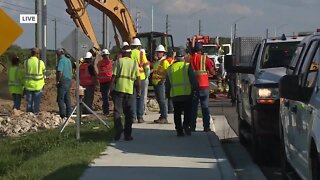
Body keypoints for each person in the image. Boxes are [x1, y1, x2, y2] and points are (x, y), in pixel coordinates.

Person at [110, 45, 141, 141]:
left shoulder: (119, 61)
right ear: (130, 53)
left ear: (122, 53)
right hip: (129, 90)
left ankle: (119, 128)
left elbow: (114, 77)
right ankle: (127, 135)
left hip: (119, 89)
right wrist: (139, 90)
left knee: (117, 111)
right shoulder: (134, 63)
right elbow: (138, 78)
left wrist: (110, 89)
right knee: (129, 113)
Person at [166, 49, 198, 136]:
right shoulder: (187, 66)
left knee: (177, 113)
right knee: (188, 111)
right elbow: (193, 79)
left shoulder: (170, 68)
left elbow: (168, 84)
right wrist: (195, 88)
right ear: (184, 57)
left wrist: (167, 94)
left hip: (175, 95)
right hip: (187, 94)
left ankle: (179, 130)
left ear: (176, 57)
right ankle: (186, 125)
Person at [190, 42, 216, 132]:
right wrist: (216, 73)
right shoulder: (205, 58)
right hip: (204, 86)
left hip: (194, 86)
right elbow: (212, 72)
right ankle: (206, 127)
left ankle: (192, 126)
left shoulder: (191, 58)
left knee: (194, 108)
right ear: (201, 50)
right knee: (205, 107)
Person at [130, 38, 150, 123]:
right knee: (141, 98)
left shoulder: (129, 53)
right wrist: (147, 75)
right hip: (141, 78)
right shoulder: (141, 54)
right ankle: (140, 117)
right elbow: (146, 66)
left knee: (133, 98)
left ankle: (133, 117)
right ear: (139, 46)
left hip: (132, 78)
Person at [24, 48, 46, 113]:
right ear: (37, 54)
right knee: (37, 103)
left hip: (28, 85)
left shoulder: (26, 62)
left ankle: (28, 115)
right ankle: (36, 114)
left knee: (29, 102)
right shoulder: (41, 63)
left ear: (31, 53)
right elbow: (44, 71)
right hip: (38, 85)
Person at [152, 44, 170, 123]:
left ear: (163, 53)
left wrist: (163, 80)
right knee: (159, 100)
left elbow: (168, 72)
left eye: (160, 52)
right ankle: (162, 116)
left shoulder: (164, 62)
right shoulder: (157, 62)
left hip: (161, 84)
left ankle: (164, 117)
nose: (158, 53)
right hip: (156, 83)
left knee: (162, 101)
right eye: (158, 52)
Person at [56, 48, 73, 118]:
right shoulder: (68, 60)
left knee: (61, 98)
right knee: (67, 98)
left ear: (58, 54)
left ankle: (62, 114)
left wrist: (58, 81)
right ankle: (69, 113)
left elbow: (60, 71)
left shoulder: (61, 61)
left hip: (63, 80)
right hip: (69, 80)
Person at [97, 49, 113, 115]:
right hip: (109, 81)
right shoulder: (110, 62)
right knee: (110, 96)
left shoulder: (99, 63)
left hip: (103, 81)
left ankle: (106, 111)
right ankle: (108, 111)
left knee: (105, 97)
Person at [166, 48, 175, 114]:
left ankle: (167, 108)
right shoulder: (173, 61)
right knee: (171, 95)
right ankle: (171, 109)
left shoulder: (164, 61)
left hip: (166, 79)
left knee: (167, 95)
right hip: (172, 79)